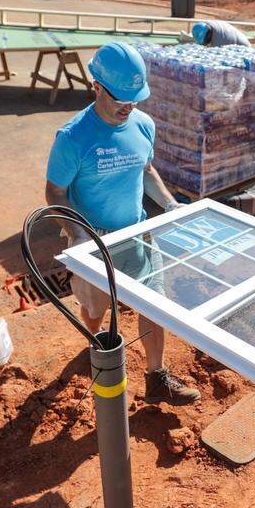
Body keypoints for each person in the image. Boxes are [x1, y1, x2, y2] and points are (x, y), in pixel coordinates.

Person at [45, 42, 201, 406]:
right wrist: (79, 232)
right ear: (96, 86)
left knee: (153, 305)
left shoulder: (143, 125)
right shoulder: (72, 138)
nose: (127, 107)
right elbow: (54, 191)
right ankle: (95, 342)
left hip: (137, 234)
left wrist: (170, 204)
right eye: (120, 99)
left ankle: (156, 377)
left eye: (134, 99)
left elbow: (146, 170)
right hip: (92, 245)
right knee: (96, 307)